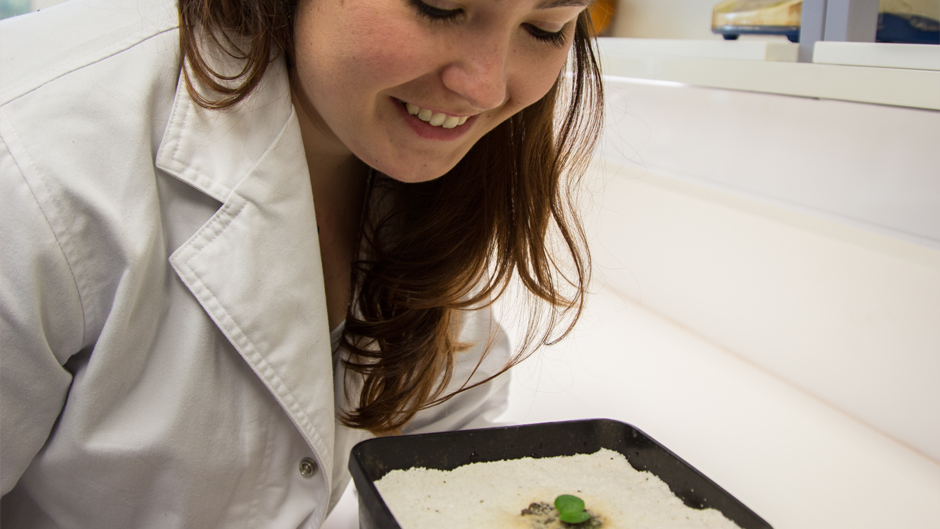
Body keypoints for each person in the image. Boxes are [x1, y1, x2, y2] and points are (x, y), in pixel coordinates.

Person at [0, 0, 604, 525]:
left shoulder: (408, 149)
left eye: (547, 27)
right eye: (440, 6)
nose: (485, 87)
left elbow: (441, 436)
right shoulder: (35, 162)